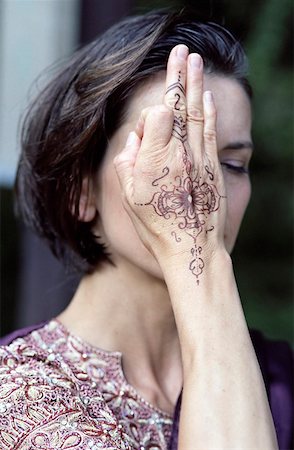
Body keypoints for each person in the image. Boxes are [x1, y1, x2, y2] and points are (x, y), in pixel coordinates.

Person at [0, 9, 292, 450]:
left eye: (232, 165)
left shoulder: (279, 383)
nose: (205, 188)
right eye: (173, 151)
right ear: (82, 190)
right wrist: (202, 260)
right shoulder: (23, 392)